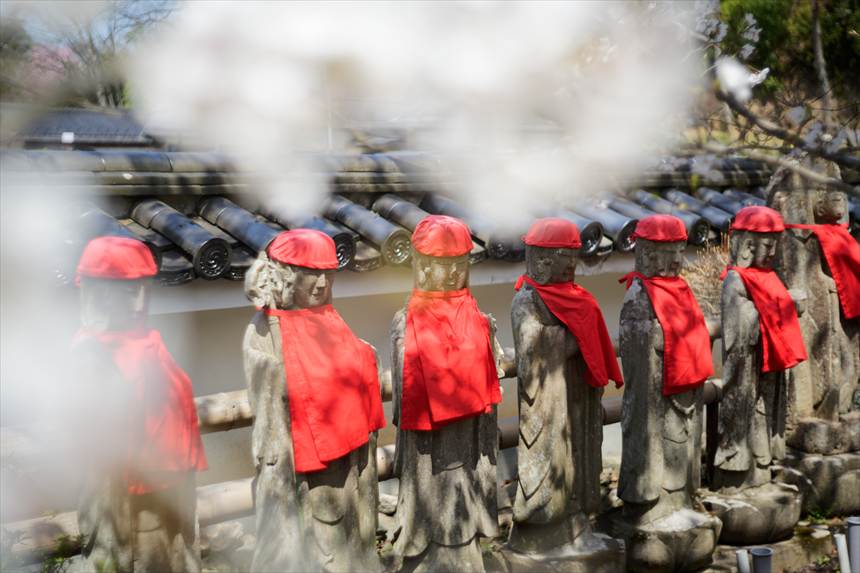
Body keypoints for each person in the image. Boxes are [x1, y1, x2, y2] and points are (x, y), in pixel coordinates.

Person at [243, 229, 385, 573]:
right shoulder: (265, 329)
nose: (321, 284)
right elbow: (266, 383)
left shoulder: (330, 320)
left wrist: (364, 356)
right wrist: (281, 375)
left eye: (328, 274)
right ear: (286, 276)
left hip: (347, 450)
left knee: (348, 524)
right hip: (301, 454)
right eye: (311, 274)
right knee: (314, 531)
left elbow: (352, 362)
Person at [75, 236, 207, 573]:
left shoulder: (151, 340)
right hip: (127, 499)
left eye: (142, 289)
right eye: (126, 291)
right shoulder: (89, 352)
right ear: (100, 292)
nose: (137, 303)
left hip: (171, 488)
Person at [390, 215, 503, 573]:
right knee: (432, 488)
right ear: (423, 267)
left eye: (460, 264)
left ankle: (465, 554)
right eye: (444, 265)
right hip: (429, 437)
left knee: (466, 486)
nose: (454, 273)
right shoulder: (407, 317)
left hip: (468, 432)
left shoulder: (476, 314)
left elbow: (490, 369)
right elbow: (404, 382)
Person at [509, 217, 622, 553]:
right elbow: (532, 349)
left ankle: (575, 517)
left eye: (573, 262)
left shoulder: (577, 297)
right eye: (563, 262)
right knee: (551, 456)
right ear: (541, 261)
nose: (569, 269)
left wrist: (581, 336)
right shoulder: (526, 300)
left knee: (578, 453)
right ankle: (544, 526)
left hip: (576, 395)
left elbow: (591, 333)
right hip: (547, 400)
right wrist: (572, 338)